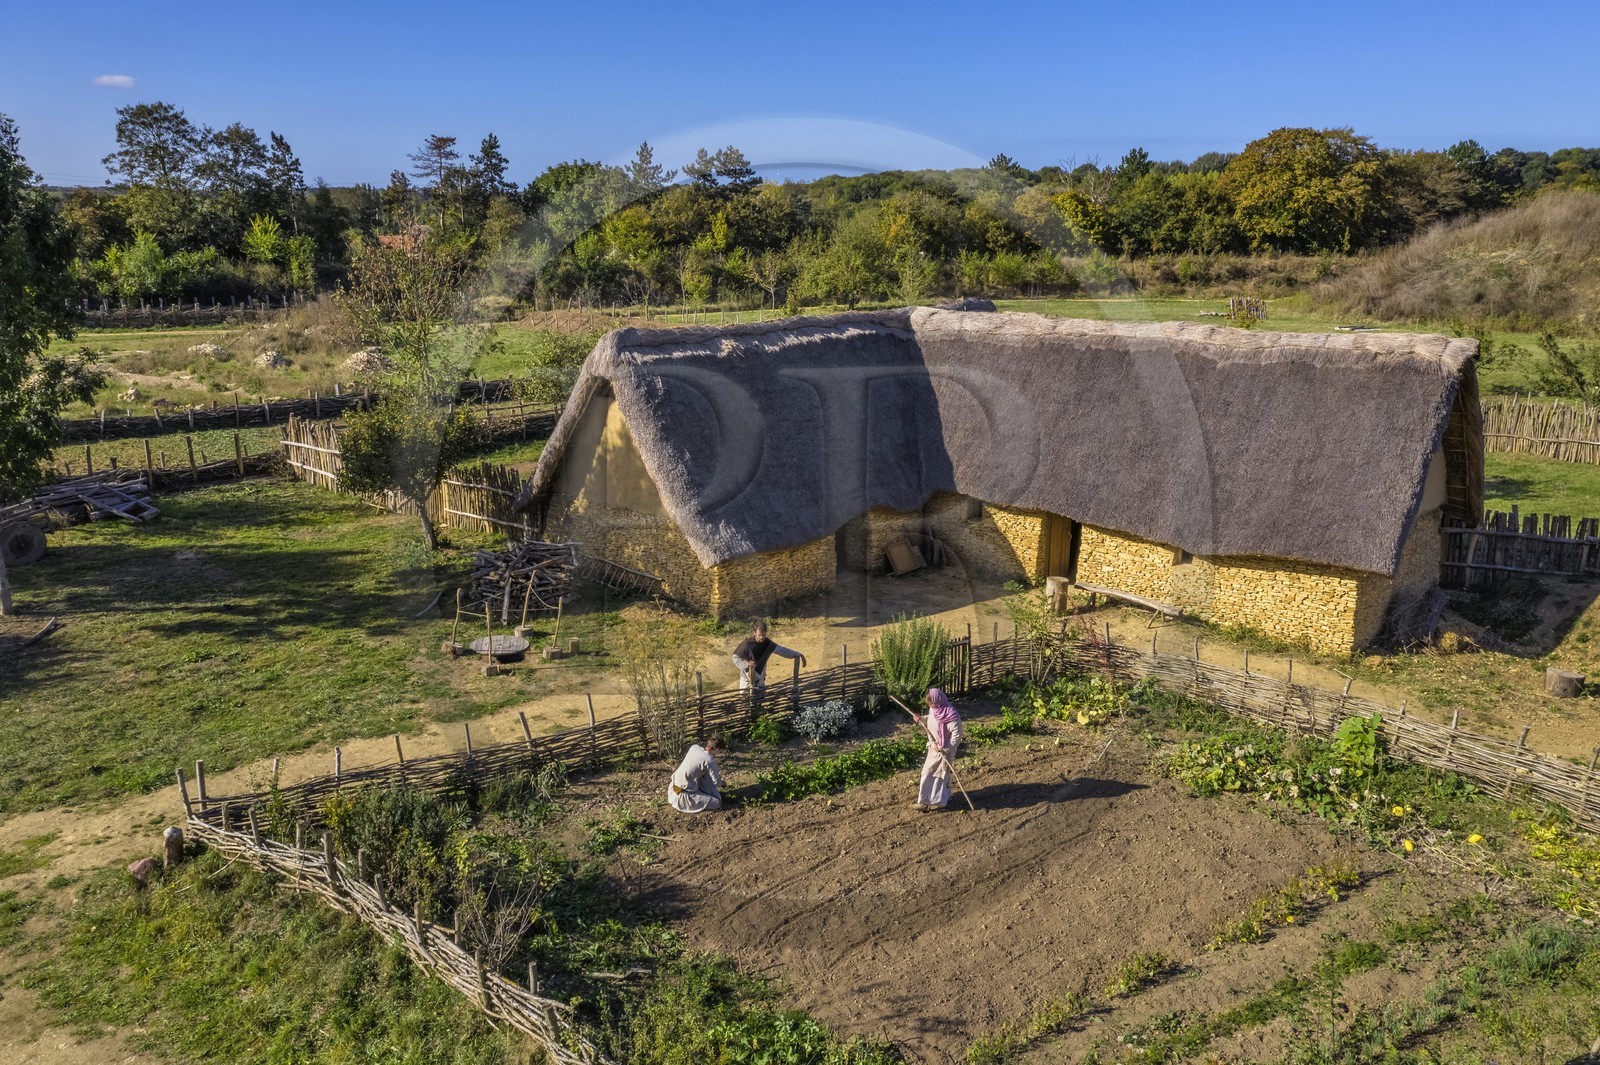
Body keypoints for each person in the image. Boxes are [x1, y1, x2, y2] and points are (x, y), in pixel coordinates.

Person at [913, 688, 963, 811]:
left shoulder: (951, 716)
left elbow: (957, 736)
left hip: (944, 752)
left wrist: (944, 748)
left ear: (938, 701)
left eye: (932, 704)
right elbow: (931, 718)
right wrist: (921, 719)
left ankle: (937, 802)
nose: (931, 706)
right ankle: (928, 800)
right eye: (930, 704)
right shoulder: (935, 709)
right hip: (933, 749)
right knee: (928, 772)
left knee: (938, 775)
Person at [730, 619, 806, 693]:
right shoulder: (747, 644)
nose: (762, 637)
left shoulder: (768, 644)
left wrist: (797, 654)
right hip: (746, 677)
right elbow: (735, 657)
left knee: (760, 697)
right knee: (744, 698)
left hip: (760, 675)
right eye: (759, 635)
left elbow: (781, 650)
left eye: (764, 635)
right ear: (754, 632)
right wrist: (746, 664)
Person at [667, 736, 724, 813]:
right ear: (717, 749)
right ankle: (691, 802)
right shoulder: (709, 760)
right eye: (719, 751)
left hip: (673, 788)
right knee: (717, 803)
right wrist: (722, 783)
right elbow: (717, 782)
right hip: (683, 795)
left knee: (704, 773)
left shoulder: (694, 747)